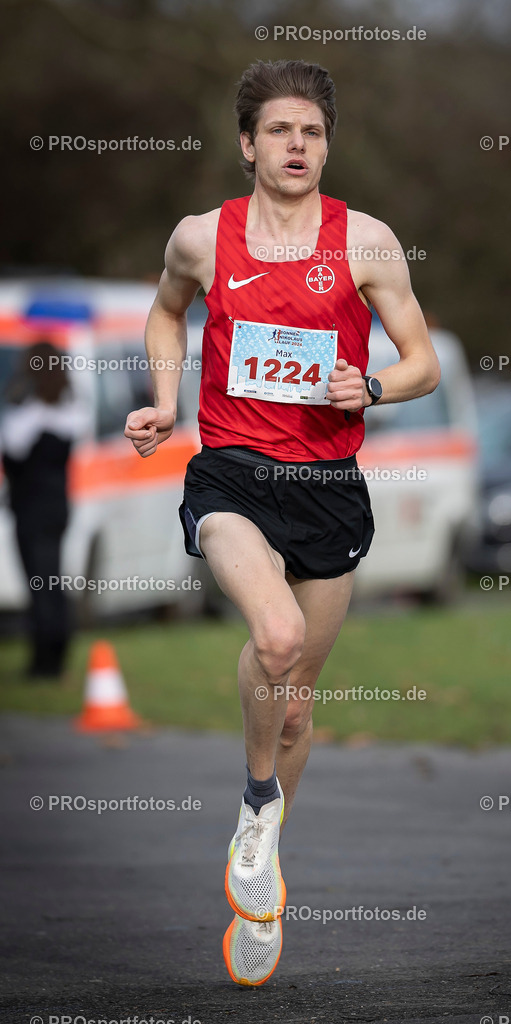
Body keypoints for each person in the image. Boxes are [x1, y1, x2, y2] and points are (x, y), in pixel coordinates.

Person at [124, 59, 440, 987]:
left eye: (312, 132)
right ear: (247, 144)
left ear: (325, 146)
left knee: (297, 703)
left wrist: (372, 384)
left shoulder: (368, 243)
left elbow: (421, 359)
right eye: (280, 131)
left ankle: (261, 848)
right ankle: (259, 800)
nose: (296, 146)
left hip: (328, 488)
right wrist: (162, 401)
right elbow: (164, 315)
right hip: (230, 476)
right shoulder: (202, 237)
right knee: (276, 637)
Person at [1, 340, 86, 679]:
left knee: (39, 586)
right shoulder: (70, 414)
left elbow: (13, 447)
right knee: (51, 583)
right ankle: (54, 652)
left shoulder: (27, 418)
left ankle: (44, 662)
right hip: (58, 509)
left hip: (32, 512)